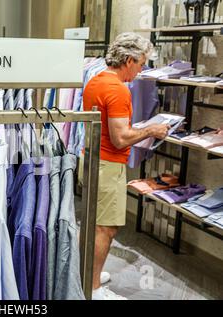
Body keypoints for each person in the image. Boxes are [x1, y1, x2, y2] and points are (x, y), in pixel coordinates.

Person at [79, 32, 170, 300]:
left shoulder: (96, 80)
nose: (141, 70)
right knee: (105, 228)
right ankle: (93, 289)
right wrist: (151, 129)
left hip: (94, 158)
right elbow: (120, 138)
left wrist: (135, 130)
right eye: (141, 64)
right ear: (128, 60)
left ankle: (87, 277)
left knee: (92, 223)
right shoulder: (117, 89)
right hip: (108, 164)